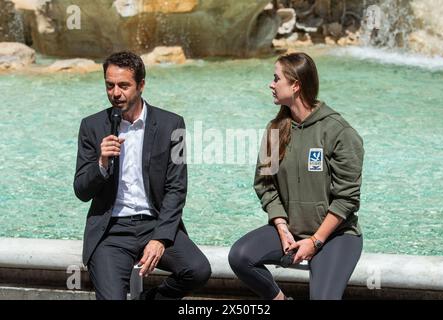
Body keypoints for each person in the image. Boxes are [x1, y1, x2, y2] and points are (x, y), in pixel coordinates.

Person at [74, 51, 211, 300]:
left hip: (154, 223)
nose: (116, 93)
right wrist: (101, 163)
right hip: (111, 231)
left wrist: (160, 238)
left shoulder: (172, 124)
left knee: (198, 270)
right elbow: (81, 191)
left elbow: (176, 188)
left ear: (141, 85)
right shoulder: (92, 126)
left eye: (124, 85)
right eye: (110, 85)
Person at [228, 52, 364, 300]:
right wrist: (281, 226)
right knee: (240, 256)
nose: (271, 84)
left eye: (276, 78)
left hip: (335, 237)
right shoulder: (275, 129)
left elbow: (347, 198)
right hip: (290, 232)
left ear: (296, 85)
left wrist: (316, 241)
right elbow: (264, 184)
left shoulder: (340, 132)